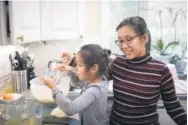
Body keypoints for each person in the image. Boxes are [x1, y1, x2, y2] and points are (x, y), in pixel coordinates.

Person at [60, 16, 187, 125]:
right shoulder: (117, 63)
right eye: (120, 41)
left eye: (129, 39)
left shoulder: (161, 71)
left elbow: (173, 107)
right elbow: (93, 78)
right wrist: (73, 62)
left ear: (144, 38)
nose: (124, 46)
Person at [40, 44, 109, 125]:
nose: (76, 67)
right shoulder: (97, 81)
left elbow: (71, 108)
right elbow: (78, 83)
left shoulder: (94, 90)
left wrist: (54, 88)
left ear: (93, 68)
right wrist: (69, 70)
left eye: (79, 65)